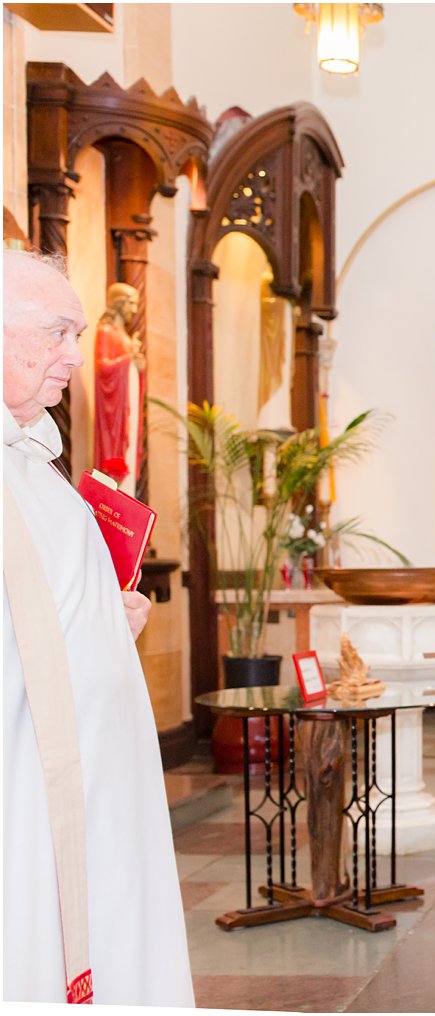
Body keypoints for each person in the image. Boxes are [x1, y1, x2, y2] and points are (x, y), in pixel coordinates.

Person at [2, 249, 193, 1005]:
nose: (78, 358)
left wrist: (115, 621)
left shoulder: (33, 469)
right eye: (58, 334)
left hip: (99, 781)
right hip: (28, 792)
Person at [91, 281, 143, 487]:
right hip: (113, 409)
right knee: (113, 450)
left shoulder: (124, 333)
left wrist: (138, 363)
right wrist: (128, 359)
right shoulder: (105, 331)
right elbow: (103, 368)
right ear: (119, 303)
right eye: (131, 303)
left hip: (127, 402)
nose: (134, 309)